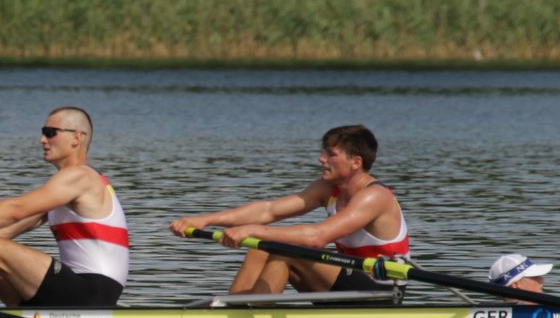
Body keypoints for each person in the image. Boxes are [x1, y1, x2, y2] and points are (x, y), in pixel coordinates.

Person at [0, 107, 128, 309]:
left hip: (94, 292)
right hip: (71, 290)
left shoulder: (82, 177)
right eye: (43, 133)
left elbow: (15, 210)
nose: (42, 140)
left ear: (76, 138)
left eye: (50, 133)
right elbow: (5, 230)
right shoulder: (62, 191)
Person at [168, 124, 409, 294]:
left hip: (380, 291)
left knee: (283, 248)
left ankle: (247, 313)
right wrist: (205, 220)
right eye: (324, 152)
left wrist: (256, 230)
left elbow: (317, 237)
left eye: (330, 154)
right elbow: (269, 211)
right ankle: (236, 308)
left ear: (356, 162)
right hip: (346, 284)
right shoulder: (328, 189)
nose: (321, 159)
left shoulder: (375, 196)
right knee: (259, 249)